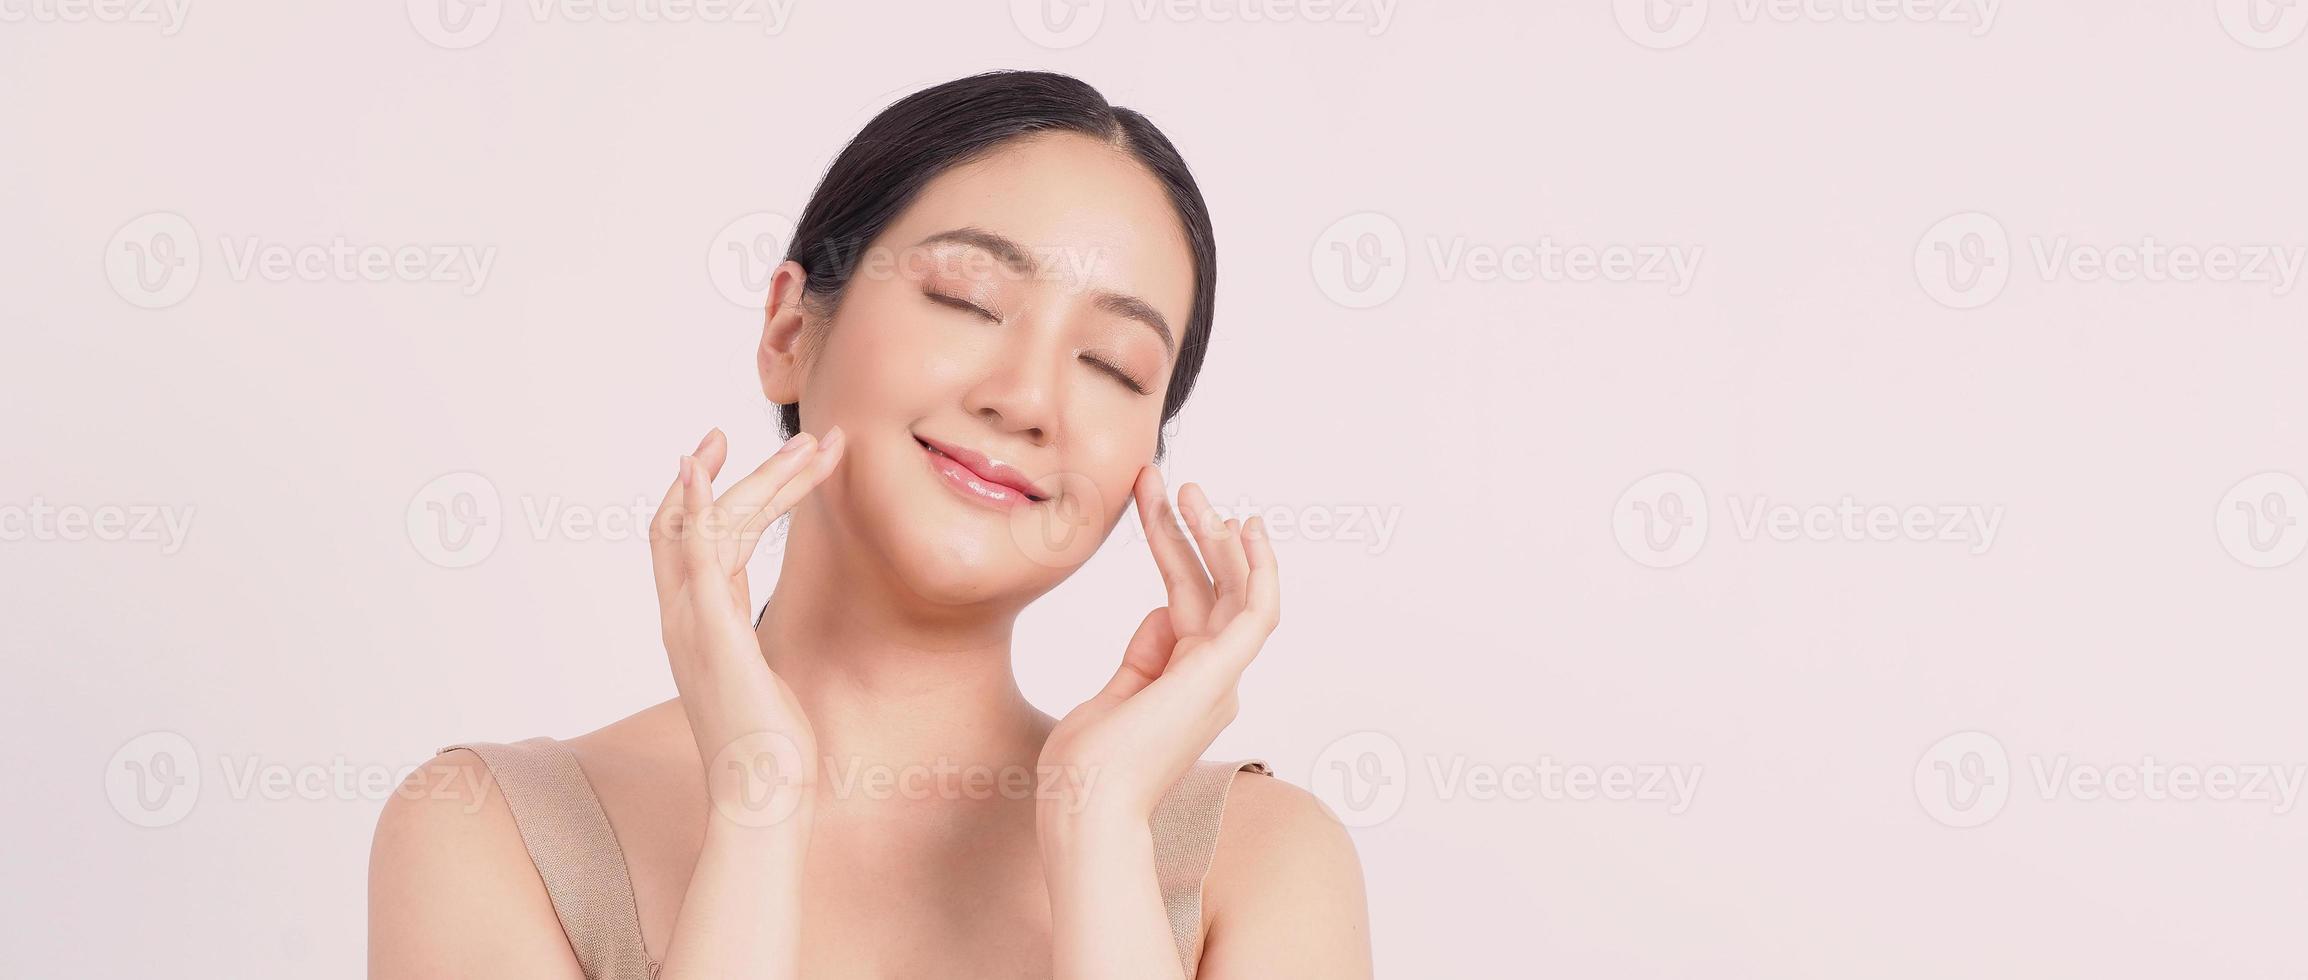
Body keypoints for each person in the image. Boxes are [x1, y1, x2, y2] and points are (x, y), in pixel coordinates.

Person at [367, 70, 1371, 978]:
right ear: (790, 335)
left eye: (1112, 364)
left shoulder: (1259, 860)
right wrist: (757, 806)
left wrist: (1100, 829)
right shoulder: (492, 830)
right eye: (967, 299)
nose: (1027, 398)